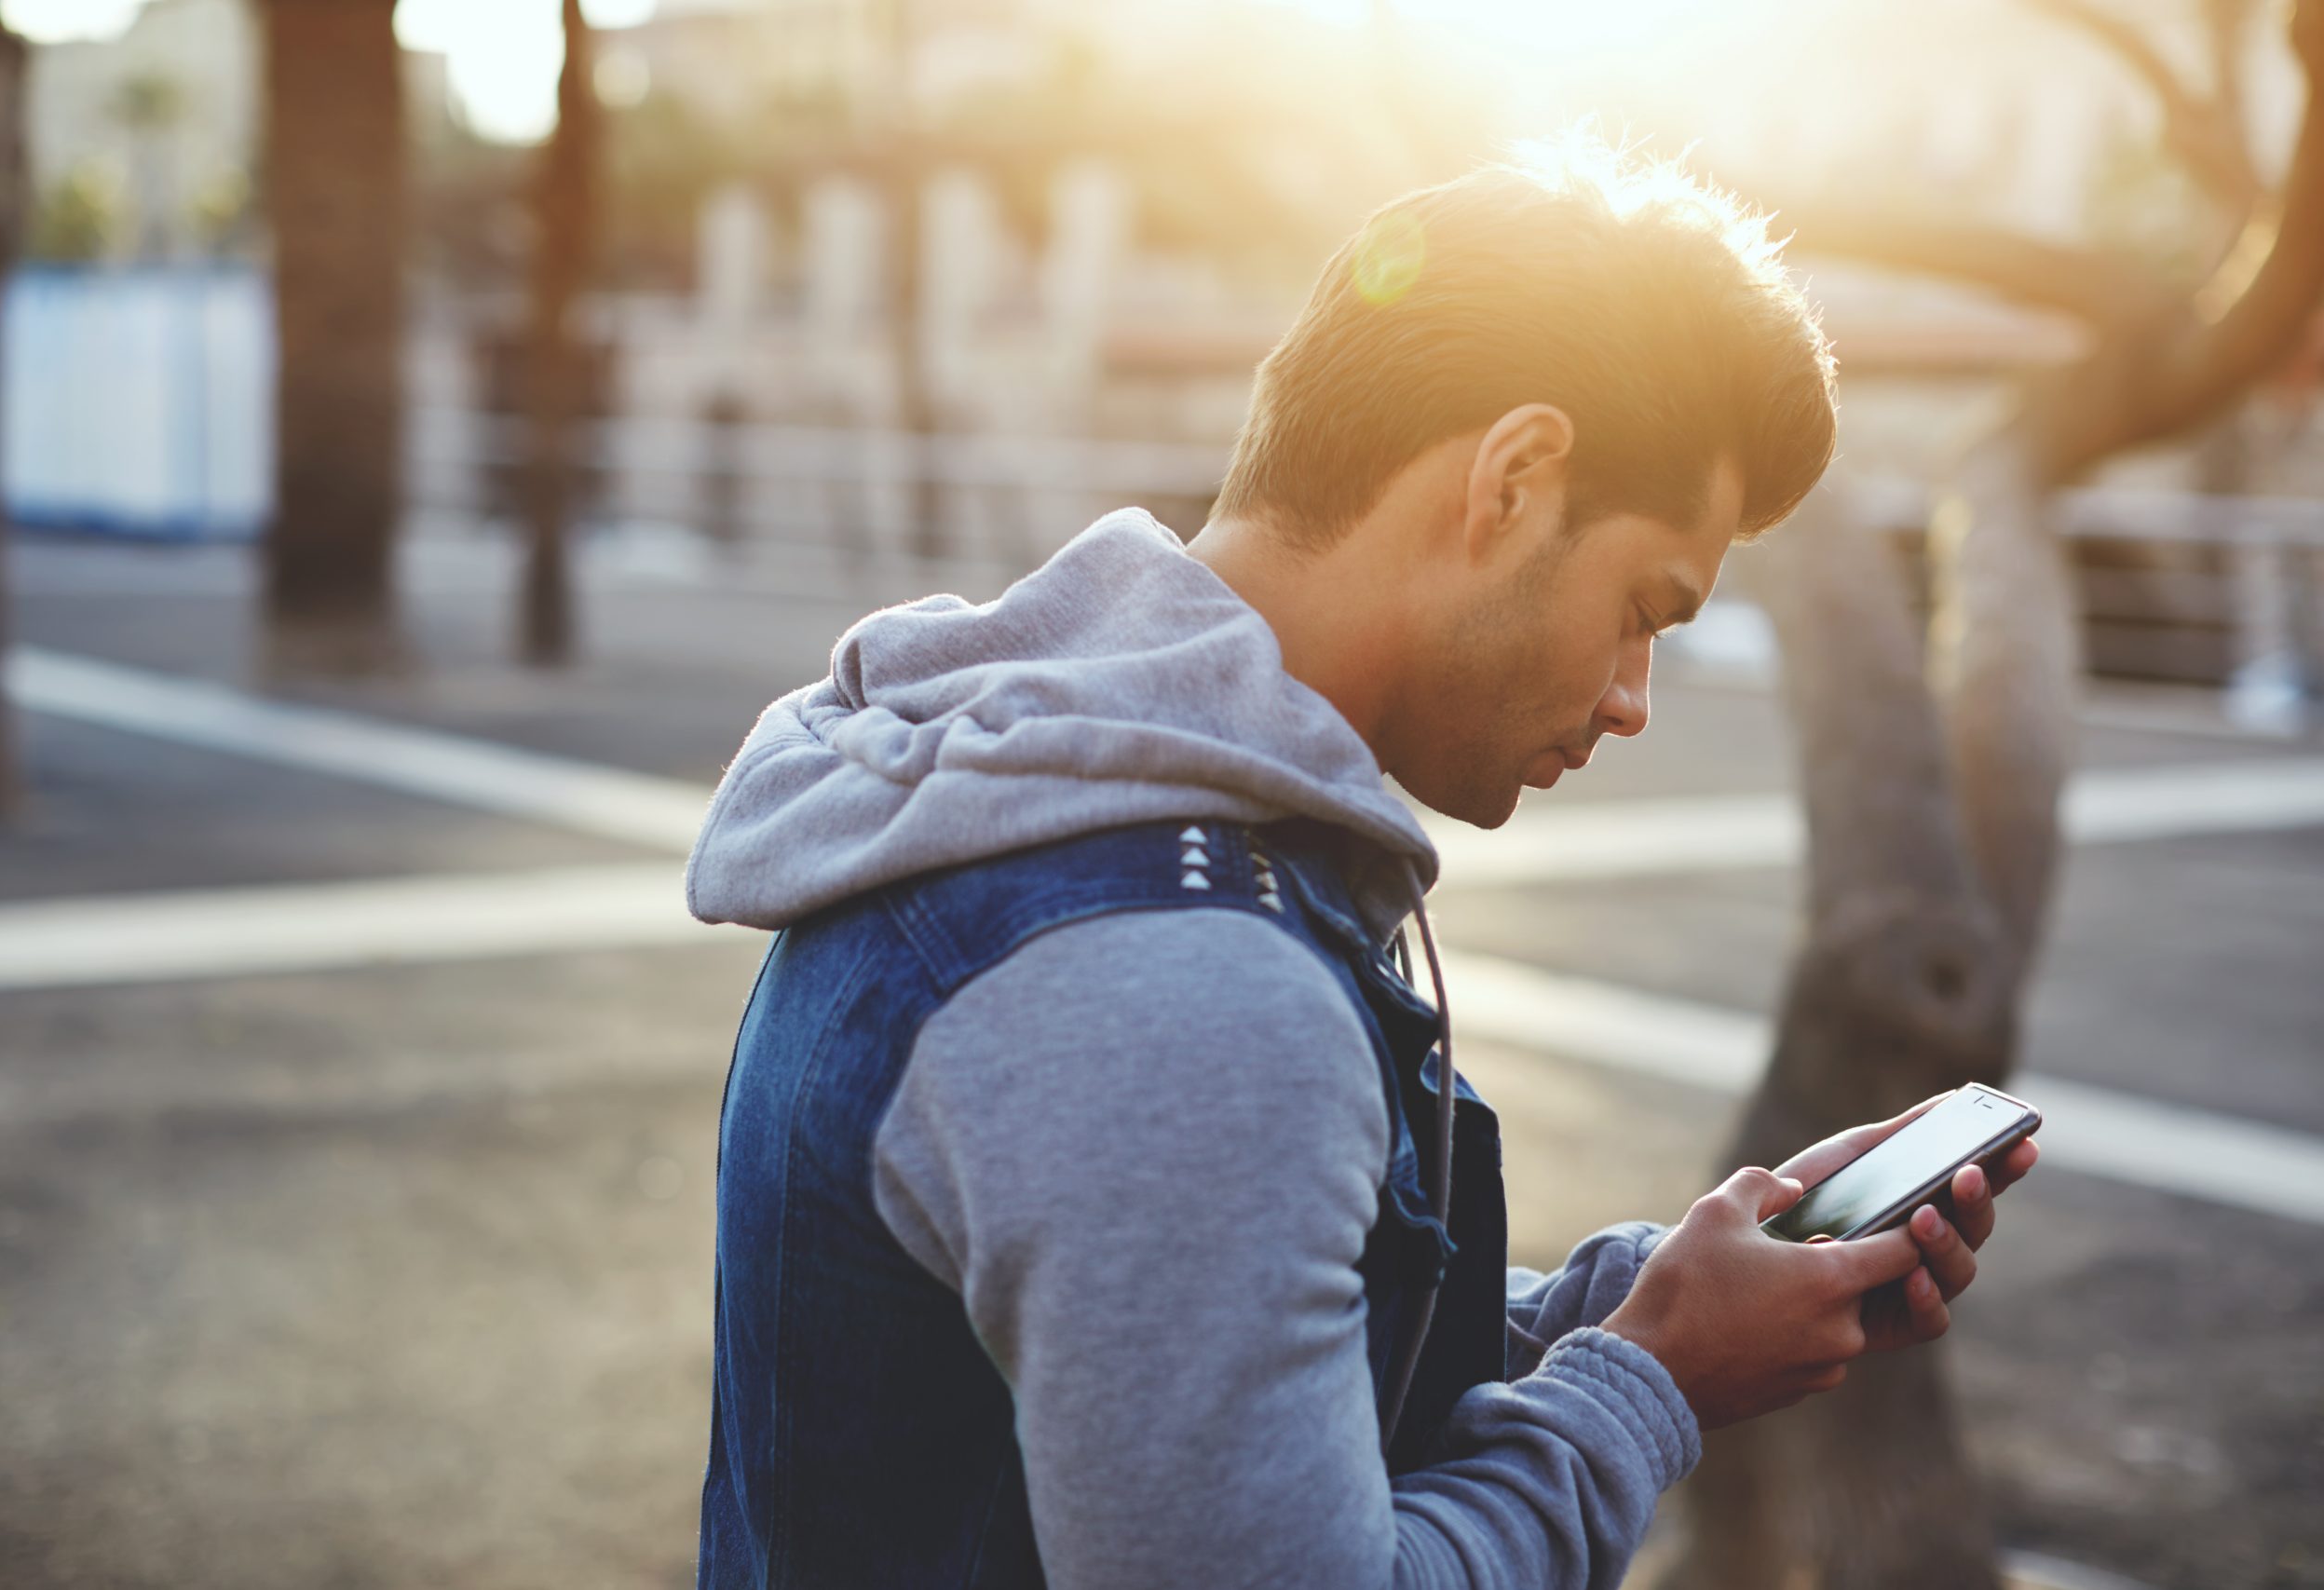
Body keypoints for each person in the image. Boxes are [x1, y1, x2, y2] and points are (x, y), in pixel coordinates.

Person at [684, 141, 2039, 1590]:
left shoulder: (1022, 795)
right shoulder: (1180, 989)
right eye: (1646, 606)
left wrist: (1638, 1306)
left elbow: (1206, 1356)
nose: (1635, 693)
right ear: (1514, 479)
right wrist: (1650, 1384)